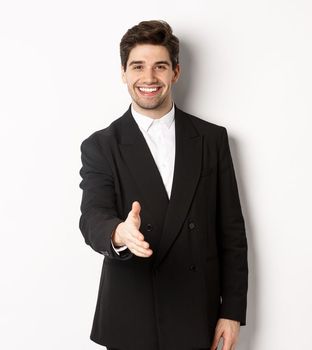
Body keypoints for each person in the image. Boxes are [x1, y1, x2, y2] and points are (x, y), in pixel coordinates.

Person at [79, 20, 248, 350]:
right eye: (137, 66)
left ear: (176, 72)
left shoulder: (212, 139)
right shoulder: (101, 145)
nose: (149, 78)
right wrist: (119, 233)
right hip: (132, 315)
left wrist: (231, 311)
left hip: (197, 312)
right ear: (124, 73)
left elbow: (231, 231)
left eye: (160, 66)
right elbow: (92, 216)